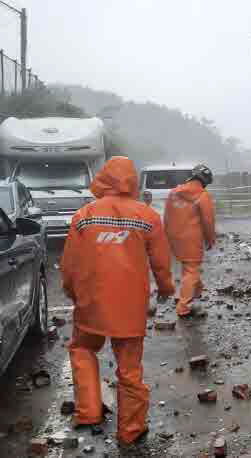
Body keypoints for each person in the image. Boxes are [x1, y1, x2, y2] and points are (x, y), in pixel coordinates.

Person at [61, 156, 175, 444]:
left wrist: (74, 294)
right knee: (130, 369)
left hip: (91, 305)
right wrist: (165, 289)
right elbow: (161, 262)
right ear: (132, 180)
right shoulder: (147, 216)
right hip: (130, 308)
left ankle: (88, 412)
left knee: (82, 349)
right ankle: (131, 430)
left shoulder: (84, 215)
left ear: (103, 178)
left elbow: (69, 265)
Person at [164, 164, 215, 317]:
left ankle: (197, 291)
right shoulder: (202, 195)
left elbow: (166, 216)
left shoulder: (173, 192)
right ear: (205, 180)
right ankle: (184, 307)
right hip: (191, 238)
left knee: (188, 267)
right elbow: (208, 221)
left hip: (174, 237)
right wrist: (210, 238)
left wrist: (167, 235)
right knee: (191, 269)